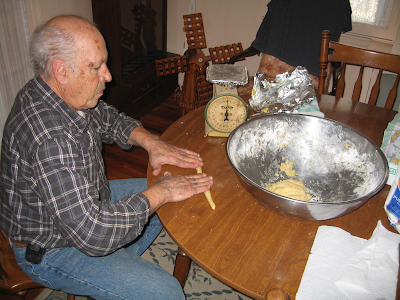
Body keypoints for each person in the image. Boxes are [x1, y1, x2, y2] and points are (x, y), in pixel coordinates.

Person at [0, 15, 213, 300]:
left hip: (90, 203)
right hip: (52, 248)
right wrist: (159, 194)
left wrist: (153, 143)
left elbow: (108, 118)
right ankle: (118, 269)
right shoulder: (49, 139)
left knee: (175, 187)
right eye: (96, 67)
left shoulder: (60, 92)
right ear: (61, 71)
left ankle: (118, 263)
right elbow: (93, 233)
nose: (108, 75)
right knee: (165, 291)